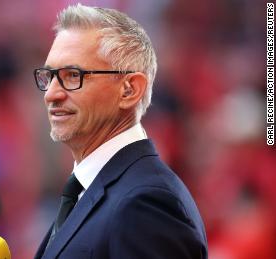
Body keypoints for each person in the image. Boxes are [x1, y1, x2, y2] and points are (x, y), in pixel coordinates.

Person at [33, 4, 207, 259]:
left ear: (129, 89)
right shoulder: (97, 192)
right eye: (49, 76)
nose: (51, 94)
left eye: (72, 75)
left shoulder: (147, 203)